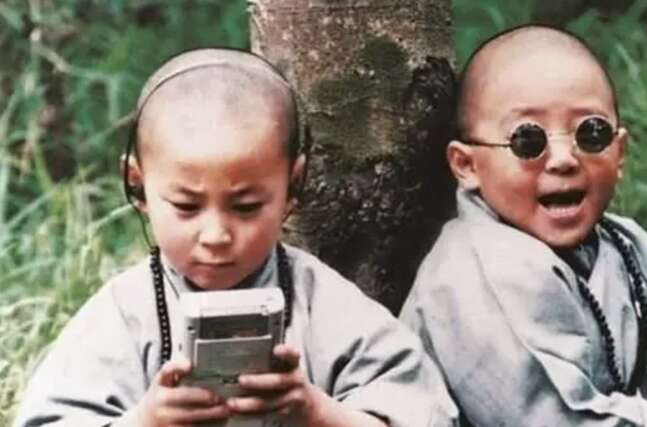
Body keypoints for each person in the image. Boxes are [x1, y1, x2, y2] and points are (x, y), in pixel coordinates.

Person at [14, 48, 458, 427]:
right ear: (138, 185)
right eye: (186, 206)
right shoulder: (123, 315)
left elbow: (428, 414)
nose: (216, 235)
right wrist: (145, 420)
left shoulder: (322, 304)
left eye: (246, 207)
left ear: (293, 186)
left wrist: (316, 412)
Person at [399, 25, 647, 427]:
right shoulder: (472, 274)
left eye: (591, 133)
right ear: (467, 165)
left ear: (620, 151)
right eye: (528, 140)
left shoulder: (629, 248)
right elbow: (555, 418)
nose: (564, 158)